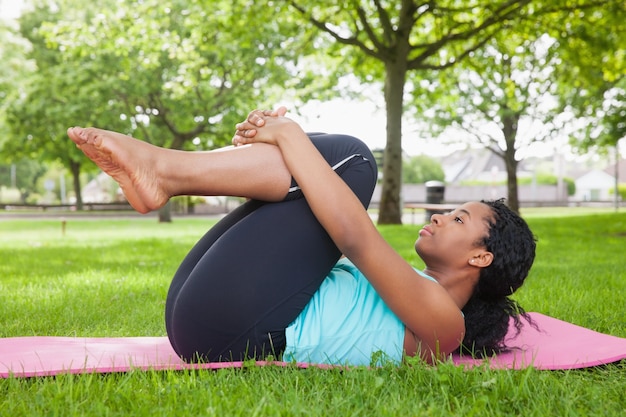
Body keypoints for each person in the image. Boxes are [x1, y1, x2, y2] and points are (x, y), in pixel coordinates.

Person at [66, 107, 536, 366]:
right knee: (317, 171)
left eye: (457, 220)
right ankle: (165, 174)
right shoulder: (413, 283)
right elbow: (316, 219)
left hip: (233, 332)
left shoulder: (445, 326)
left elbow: (354, 236)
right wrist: (275, 144)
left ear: (481, 257)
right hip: (207, 316)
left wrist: (288, 133)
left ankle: (166, 171)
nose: (438, 217)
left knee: (353, 160)